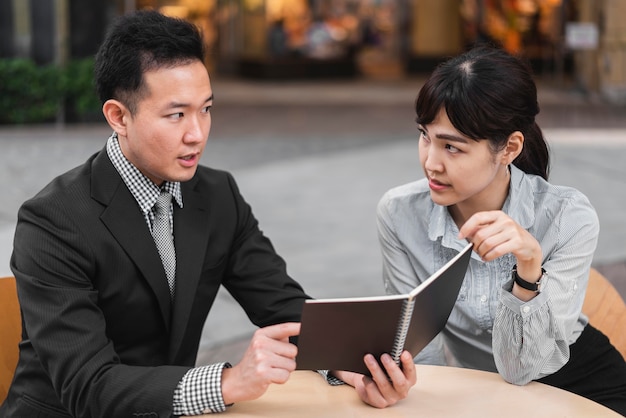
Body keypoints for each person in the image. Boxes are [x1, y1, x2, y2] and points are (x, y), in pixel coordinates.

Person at [0, 10, 415, 418]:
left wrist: (351, 366)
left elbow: (284, 306)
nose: (197, 133)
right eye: (176, 114)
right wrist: (227, 383)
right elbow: (87, 386)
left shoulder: (217, 195)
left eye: (206, 108)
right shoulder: (53, 221)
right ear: (118, 117)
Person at [376, 45, 626, 415]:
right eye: (425, 136)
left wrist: (528, 268)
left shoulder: (567, 217)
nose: (431, 162)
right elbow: (418, 354)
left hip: (578, 385)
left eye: (452, 148)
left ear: (509, 147)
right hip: (484, 390)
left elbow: (522, 368)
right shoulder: (399, 214)